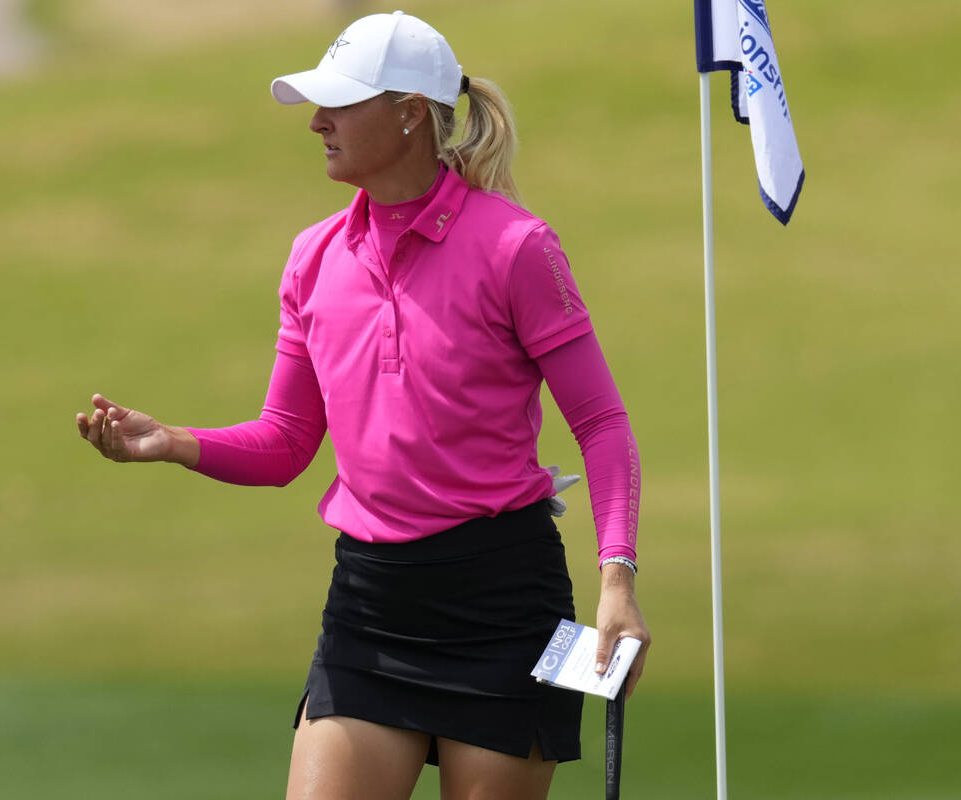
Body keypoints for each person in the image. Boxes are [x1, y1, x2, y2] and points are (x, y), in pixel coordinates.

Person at [76, 11, 649, 800]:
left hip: (502, 606)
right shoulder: (314, 257)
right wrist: (173, 441)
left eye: (340, 104)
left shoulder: (517, 247)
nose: (316, 122)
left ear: (410, 111)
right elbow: (284, 443)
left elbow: (600, 422)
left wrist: (616, 580)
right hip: (371, 607)